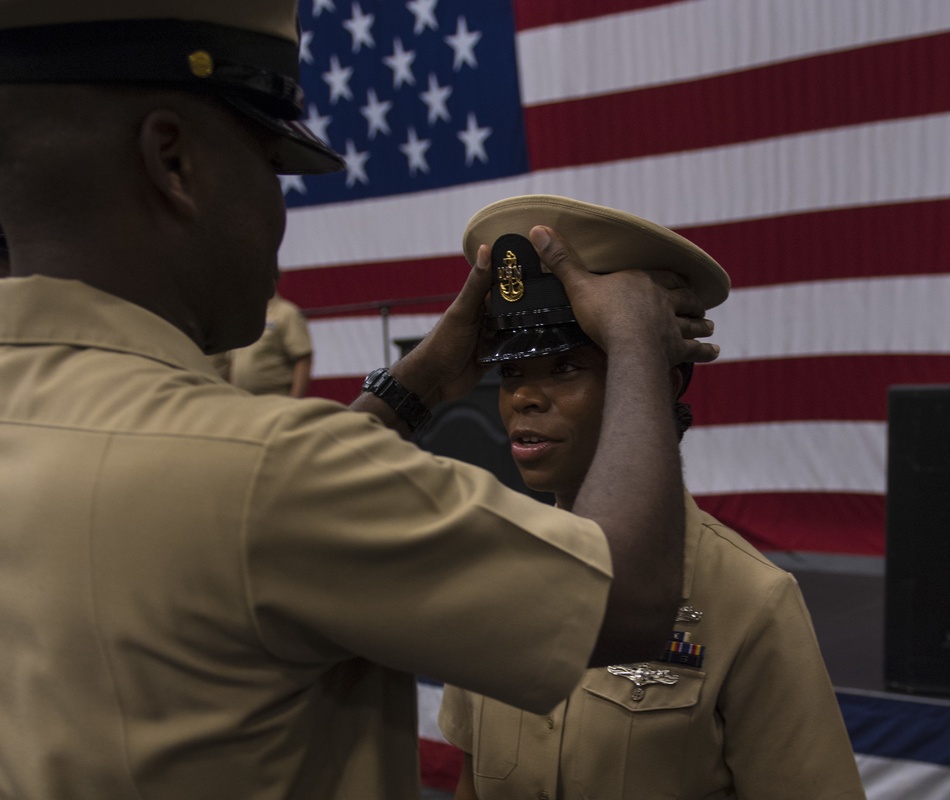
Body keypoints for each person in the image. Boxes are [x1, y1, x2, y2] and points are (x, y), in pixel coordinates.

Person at [0, 5, 721, 799]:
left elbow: (241, 521)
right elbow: (631, 600)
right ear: (174, 162)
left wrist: (412, 387)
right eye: (273, 165)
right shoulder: (271, 473)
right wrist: (637, 346)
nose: (279, 214)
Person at [439, 195, 868, 800]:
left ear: (655, 381)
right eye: (512, 373)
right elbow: (471, 781)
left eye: (565, 368)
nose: (524, 399)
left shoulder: (752, 600)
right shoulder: (491, 570)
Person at [228, 289, 314, 397]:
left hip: (277, 400)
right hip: (245, 402)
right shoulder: (242, 314)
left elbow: (303, 358)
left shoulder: (286, 313)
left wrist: (294, 400)